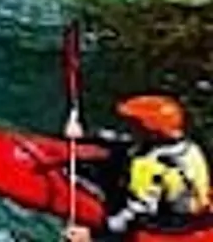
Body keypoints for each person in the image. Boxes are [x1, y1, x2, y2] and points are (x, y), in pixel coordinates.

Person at [68, 95, 211, 240]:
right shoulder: (191, 149)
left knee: (91, 178)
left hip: (165, 223)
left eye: (133, 126)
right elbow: (129, 143)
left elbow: (137, 211)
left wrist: (96, 233)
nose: (129, 129)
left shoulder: (147, 166)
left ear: (148, 130)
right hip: (195, 215)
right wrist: (86, 136)